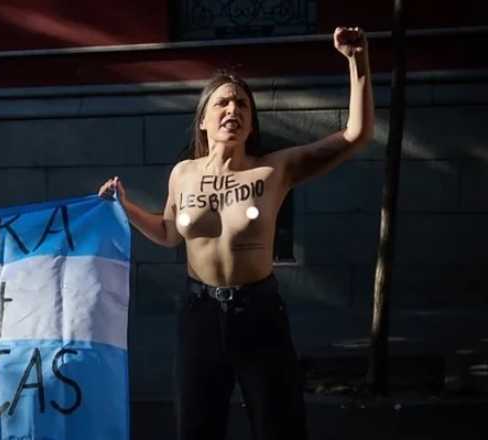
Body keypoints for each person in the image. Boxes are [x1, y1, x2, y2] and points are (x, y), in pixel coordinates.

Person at [99, 27, 372, 439]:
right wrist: (127, 206)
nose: (233, 109)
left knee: (278, 426)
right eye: (223, 102)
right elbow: (170, 233)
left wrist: (358, 61)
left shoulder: (274, 169)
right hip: (199, 315)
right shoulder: (183, 173)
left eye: (242, 104)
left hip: (258, 313)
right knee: (196, 427)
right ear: (205, 119)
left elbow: (355, 135)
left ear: (251, 122)